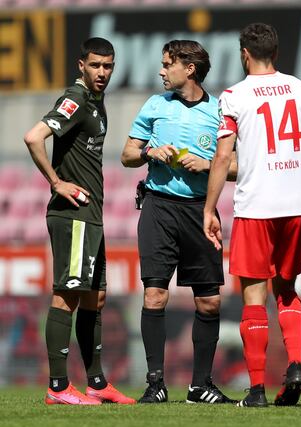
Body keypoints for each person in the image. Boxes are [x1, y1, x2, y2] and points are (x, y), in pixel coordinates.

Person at [203, 23, 301, 407]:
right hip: (296, 207)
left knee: (254, 298)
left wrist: (209, 208)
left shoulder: (234, 96)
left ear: (244, 55)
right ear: (277, 53)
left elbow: (222, 155)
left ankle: (256, 390)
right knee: (286, 290)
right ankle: (297, 365)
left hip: (256, 208)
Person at [121, 39, 236, 404]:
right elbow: (126, 155)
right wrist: (149, 152)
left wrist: (209, 165)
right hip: (158, 207)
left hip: (200, 210)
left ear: (189, 69)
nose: (160, 70)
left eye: (167, 64)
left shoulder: (221, 112)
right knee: (155, 295)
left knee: (209, 303)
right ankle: (155, 384)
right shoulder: (156, 105)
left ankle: (200, 385)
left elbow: (239, 165)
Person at [24, 37, 136, 405]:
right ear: (81, 65)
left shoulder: (95, 102)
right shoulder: (74, 100)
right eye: (96, 66)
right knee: (67, 294)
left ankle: (97, 382)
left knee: (95, 296)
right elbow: (33, 137)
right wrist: (57, 183)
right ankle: (57, 387)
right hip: (72, 214)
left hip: (91, 214)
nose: (102, 72)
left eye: (108, 66)